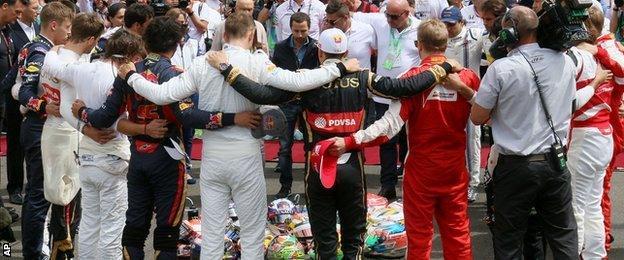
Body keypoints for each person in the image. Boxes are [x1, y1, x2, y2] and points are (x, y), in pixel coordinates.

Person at [116, 12, 361, 259]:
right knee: (252, 235)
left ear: (223, 35)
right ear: (252, 34)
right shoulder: (256, 61)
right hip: (245, 155)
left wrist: (131, 76)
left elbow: (161, 95)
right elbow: (296, 82)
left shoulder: (203, 62)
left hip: (213, 158)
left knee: (211, 235)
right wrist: (339, 68)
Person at [211, 25, 463, 258]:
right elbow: (404, 87)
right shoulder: (364, 76)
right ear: (345, 53)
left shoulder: (306, 80)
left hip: (318, 168)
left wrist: (228, 71)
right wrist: (442, 68)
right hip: (353, 167)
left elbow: (261, 94)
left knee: (325, 241)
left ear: (320, 52)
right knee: (354, 241)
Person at [70, 16, 257, 259]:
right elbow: (190, 116)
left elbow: (104, 117)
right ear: (178, 44)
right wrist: (235, 118)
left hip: (138, 158)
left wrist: (82, 111)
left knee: (134, 231)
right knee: (167, 235)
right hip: (167, 160)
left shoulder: (128, 72)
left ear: (145, 42)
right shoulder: (175, 74)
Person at [328, 19, 478, 259]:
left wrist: (349, 141)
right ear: (446, 43)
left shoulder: (411, 78)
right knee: (458, 234)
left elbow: (388, 127)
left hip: (421, 172)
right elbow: (487, 116)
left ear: (418, 45)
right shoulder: (467, 78)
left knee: (419, 238)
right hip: (455, 170)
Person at [471, 6, 579, 259]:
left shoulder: (501, 68)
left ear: (508, 33)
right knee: (563, 237)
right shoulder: (565, 61)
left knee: (509, 240)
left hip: (516, 167)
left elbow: (477, 117)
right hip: (556, 163)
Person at [40, 14, 135, 259]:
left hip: (88, 158)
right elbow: (118, 121)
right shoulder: (124, 76)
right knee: (112, 230)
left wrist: (54, 49)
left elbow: (51, 68)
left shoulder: (82, 68)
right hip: (112, 155)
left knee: (91, 224)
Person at [15, 3, 78, 259]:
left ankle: (43, 248)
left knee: (42, 192)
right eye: (67, 27)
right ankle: (33, 253)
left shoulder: (33, 46)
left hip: (39, 128)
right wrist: (44, 106)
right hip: (40, 128)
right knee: (40, 194)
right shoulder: (40, 51)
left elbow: (14, 84)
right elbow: (25, 91)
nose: (69, 32)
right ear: (54, 25)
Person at [353, 0, 419, 200]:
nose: (389, 20)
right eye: (387, 15)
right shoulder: (381, 22)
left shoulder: (420, 28)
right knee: (386, 141)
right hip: (383, 95)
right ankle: (387, 185)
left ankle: (410, 183)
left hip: (409, 95)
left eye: (395, 16)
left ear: (408, 13)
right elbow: (350, 15)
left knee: (409, 142)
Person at [565, 5, 616, 259]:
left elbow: (567, 103)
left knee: (576, 207)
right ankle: (595, 255)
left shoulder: (574, 57)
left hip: (584, 137)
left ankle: (575, 254)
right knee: (592, 204)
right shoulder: (605, 53)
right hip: (604, 135)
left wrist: (594, 83)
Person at [271, 12, 319, 198]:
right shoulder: (281, 47)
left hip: (309, 102)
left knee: (312, 145)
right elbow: (275, 73)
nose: (299, 35)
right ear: (290, 28)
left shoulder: (316, 47)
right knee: (284, 147)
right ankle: (285, 186)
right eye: (296, 30)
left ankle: (312, 184)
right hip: (287, 102)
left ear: (309, 28)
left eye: (303, 31)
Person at [441, 6, 484, 203]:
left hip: (470, 93)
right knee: (448, 138)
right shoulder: (440, 39)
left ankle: (473, 183)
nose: (448, 28)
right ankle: (452, 179)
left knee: (472, 139)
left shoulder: (475, 36)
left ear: (461, 22)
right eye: (445, 24)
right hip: (447, 96)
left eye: (451, 24)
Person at [4, 0, 37, 205]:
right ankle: (15, 186)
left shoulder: (39, 28)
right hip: (15, 96)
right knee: (16, 144)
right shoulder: (10, 31)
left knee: (33, 143)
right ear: (21, 8)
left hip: (37, 96)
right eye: (34, 7)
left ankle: (32, 184)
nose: (37, 11)